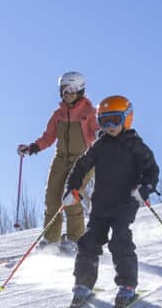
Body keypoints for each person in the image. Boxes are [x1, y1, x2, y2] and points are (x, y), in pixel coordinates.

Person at [63, 95, 159, 308]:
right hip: (101, 205)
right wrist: (73, 188)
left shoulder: (135, 145)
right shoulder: (99, 146)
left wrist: (145, 188)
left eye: (115, 120)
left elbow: (152, 170)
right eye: (104, 121)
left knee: (119, 240)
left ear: (126, 119)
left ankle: (127, 284)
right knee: (88, 241)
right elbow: (81, 167)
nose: (110, 126)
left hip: (125, 203)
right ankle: (83, 284)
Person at [18, 71, 102, 254]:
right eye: (64, 89)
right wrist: (32, 147)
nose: (67, 93)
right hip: (60, 159)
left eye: (71, 89)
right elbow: (48, 137)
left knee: (71, 197)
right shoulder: (58, 114)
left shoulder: (89, 112)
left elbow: (97, 129)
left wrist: (102, 133)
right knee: (52, 199)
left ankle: (76, 239)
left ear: (80, 90)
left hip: (82, 160)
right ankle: (51, 239)